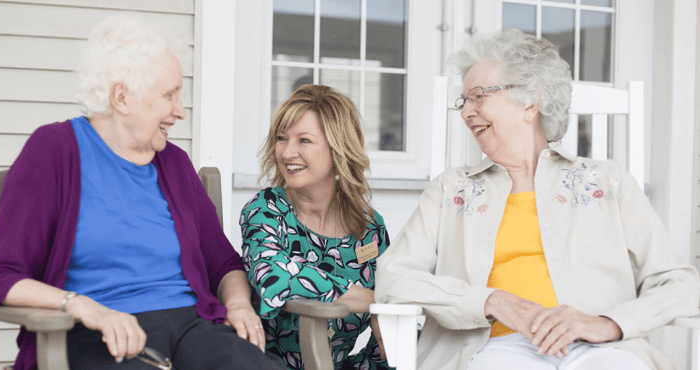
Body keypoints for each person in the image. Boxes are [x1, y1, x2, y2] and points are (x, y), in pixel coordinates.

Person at [374, 29, 700, 370]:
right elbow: (395, 276)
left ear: (529, 101)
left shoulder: (608, 183)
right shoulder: (451, 190)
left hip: (601, 351)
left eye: (479, 96)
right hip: (492, 349)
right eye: (464, 100)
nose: (466, 112)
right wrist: (489, 301)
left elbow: (678, 284)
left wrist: (606, 323)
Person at [0, 15, 283, 370]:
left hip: (192, 328)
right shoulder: (54, 150)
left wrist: (239, 303)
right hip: (97, 333)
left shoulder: (176, 164)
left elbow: (224, 264)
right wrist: (81, 306)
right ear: (121, 97)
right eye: (170, 95)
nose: (180, 111)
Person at [240, 85, 392, 370]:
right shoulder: (266, 210)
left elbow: (396, 292)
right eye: (281, 139)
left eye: (304, 141)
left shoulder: (369, 227)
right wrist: (374, 302)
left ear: (338, 148)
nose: (287, 152)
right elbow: (272, 275)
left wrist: (387, 312)